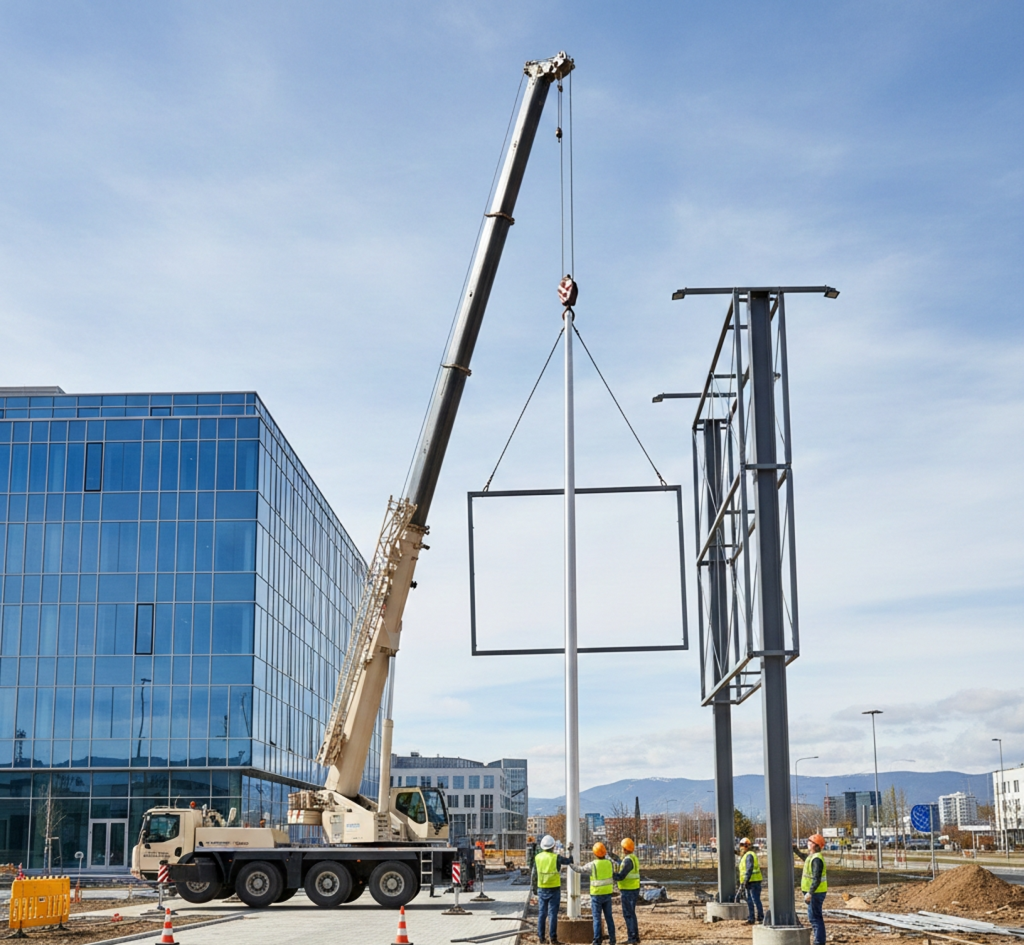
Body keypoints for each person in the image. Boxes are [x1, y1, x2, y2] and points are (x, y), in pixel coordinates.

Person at [530, 835, 574, 945]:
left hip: (541, 888)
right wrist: (570, 851)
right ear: (553, 846)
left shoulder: (537, 857)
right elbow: (569, 861)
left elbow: (534, 874)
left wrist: (534, 889)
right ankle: (553, 939)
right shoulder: (556, 858)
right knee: (552, 914)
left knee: (542, 914)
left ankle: (541, 938)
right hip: (554, 889)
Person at [571, 842, 616, 945]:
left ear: (594, 854)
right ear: (604, 852)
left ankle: (597, 941)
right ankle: (613, 940)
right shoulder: (609, 863)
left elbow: (579, 869)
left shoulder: (593, 865)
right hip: (608, 894)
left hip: (596, 895)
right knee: (609, 917)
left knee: (597, 918)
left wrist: (570, 863)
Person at [611, 837, 640, 944]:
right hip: (632, 888)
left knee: (628, 914)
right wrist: (615, 858)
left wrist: (611, 874)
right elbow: (622, 863)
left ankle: (632, 938)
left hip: (629, 890)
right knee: (631, 913)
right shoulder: (632, 858)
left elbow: (621, 876)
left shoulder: (628, 860)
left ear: (625, 849)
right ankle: (635, 937)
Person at [802, 834, 828, 945]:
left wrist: (810, 893)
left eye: (810, 841)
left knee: (815, 918)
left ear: (816, 845)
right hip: (815, 893)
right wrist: (796, 850)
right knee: (815, 917)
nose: (808, 843)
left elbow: (816, 879)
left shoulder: (817, 859)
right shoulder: (812, 857)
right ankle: (819, 941)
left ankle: (819, 942)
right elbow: (805, 859)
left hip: (816, 893)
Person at [736, 837, 763, 924]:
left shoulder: (749, 855)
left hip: (753, 881)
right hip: (749, 881)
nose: (740, 847)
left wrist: (745, 881)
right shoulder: (745, 855)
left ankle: (760, 917)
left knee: (755, 900)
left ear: (746, 846)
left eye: (742, 845)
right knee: (750, 900)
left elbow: (749, 868)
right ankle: (752, 918)